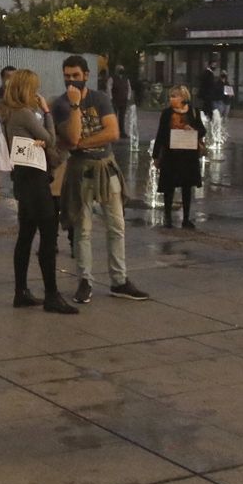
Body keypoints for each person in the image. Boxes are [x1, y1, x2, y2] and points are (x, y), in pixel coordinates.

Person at [54, 55, 149, 303]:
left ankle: (119, 280)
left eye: (75, 75)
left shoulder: (100, 98)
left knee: (116, 225)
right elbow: (72, 137)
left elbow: (113, 132)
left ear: (86, 75)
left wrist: (80, 143)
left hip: (105, 166)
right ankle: (85, 280)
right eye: (67, 76)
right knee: (82, 229)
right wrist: (75, 108)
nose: (70, 80)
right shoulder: (61, 104)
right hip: (80, 170)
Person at [0, 70, 74, 313]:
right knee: (48, 235)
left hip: (23, 178)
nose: (37, 94)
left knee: (26, 235)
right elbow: (50, 139)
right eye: (34, 89)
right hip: (35, 179)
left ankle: (21, 291)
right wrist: (47, 112)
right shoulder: (24, 113)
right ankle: (52, 295)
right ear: (25, 90)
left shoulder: (8, 113)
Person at [153, 85, 206, 229]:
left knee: (187, 187)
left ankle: (186, 218)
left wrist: (193, 129)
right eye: (170, 96)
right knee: (168, 187)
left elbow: (202, 130)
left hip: (188, 155)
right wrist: (156, 155)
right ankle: (168, 218)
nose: (171, 99)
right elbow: (161, 134)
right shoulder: (166, 113)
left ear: (183, 97)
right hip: (171, 155)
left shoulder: (194, 112)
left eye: (174, 96)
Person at [110, 65, 132, 139]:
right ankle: (114, 132)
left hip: (123, 100)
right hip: (115, 100)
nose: (121, 71)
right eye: (120, 69)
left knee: (122, 117)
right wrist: (111, 98)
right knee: (114, 116)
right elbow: (108, 88)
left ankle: (122, 132)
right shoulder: (112, 78)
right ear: (116, 70)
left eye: (122, 69)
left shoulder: (126, 79)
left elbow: (129, 88)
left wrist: (128, 98)